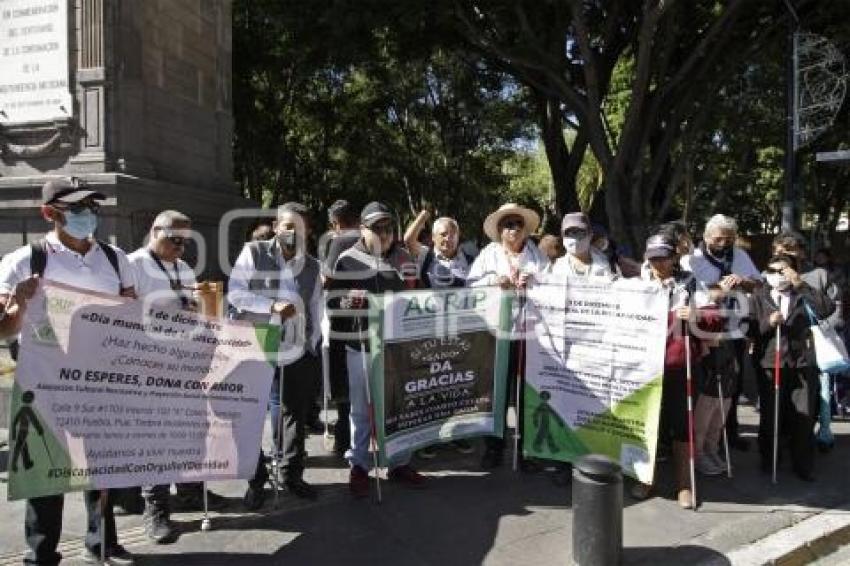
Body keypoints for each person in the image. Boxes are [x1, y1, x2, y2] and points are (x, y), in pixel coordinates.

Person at [0, 177, 136, 565]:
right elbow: (4, 329)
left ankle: (104, 544)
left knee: (102, 469)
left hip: (99, 383)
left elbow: (130, 314)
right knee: (46, 475)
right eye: (77, 209)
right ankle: (41, 554)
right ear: (50, 213)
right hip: (44, 387)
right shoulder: (24, 260)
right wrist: (21, 304)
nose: (87, 215)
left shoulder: (115, 259)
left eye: (91, 207)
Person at [128, 210, 221, 543]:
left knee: (192, 429)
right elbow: (124, 314)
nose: (181, 247)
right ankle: (156, 509)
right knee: (157, 439)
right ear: (155, 231)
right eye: (175, 240)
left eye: (186, 241)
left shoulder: (182, 268)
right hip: (150, 365)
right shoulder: (135, 265)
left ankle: (191, 488)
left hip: (185, 362)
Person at [328, 202, 427, 497]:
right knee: (360, 410)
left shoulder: (402, 257)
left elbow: (417, 295)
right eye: (377, 228)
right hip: (359, 346)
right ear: (362, 229)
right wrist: (348, 301)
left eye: (388, 228)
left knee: (396, 406)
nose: (384, 234)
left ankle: (398, 462)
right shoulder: (347, 259)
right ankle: (359, 465)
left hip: (395, 347)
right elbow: (331, 302)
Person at [229, 202, 324, 509]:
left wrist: (313, 342)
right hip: (257, 345)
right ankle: (256, 481)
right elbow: (235, 292)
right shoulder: (254, 252)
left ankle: (291, 474)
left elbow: (316, 307)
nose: (292, 232)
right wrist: (269, 307)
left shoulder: (312, 265)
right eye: (287, 225)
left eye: (299, 227)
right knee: (253, 415)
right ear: (276, 226)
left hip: (298, 350)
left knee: (293, 413)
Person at [632, 233, 720, 508]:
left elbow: (716, 317)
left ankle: (684, 483)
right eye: (653, 257)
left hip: (681, 367)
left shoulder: (691, 284)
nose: (658, 263)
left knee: (682, 425)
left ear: (673, 257)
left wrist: (696, 315)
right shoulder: (636, 285)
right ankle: (646, 478)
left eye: (663, 257)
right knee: (648, 424)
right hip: (644, 367)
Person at [467, 203, 547, 469]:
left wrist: (535, 284)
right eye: (507, 225)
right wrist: (493, 282)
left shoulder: (538, 257)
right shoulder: (488, 255)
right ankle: (494, 446)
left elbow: (554, 287)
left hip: (530, 336)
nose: (512, 229)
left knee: (526, 394)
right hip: (497, 334)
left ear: (525, 230)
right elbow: (470, 286)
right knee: (497, 392)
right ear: (499, 231)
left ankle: (526, 449)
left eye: (517, 224)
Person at [751, 254, 834, 481]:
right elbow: (749, 329)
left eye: (783, 271)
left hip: (802, 362)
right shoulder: (760, 295)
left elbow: (826, 309)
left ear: (793, 271)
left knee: (804, 416)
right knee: (771, 415)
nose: (778, 276)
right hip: (772, 362)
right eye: (772, 270)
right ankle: (770, 460)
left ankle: (803, 465)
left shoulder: (802, 293)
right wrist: (768, 323)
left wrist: (800, 283)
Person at [683, 214, 761, 452]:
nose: (724, 244)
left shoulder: (739, 255)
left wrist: (743, 281)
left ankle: (729, 433)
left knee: (731, 386)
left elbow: (758, 284)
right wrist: (720, 290)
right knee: (705, 387)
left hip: (734, 329)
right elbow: (690, 291)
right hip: (703, 330)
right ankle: (699, 440)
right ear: (706, 237)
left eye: (729, 239)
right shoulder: (692, 259)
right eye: (718, 239)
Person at [403, 210, 476, 457]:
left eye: (452, 233)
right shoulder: (425, 255)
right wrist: (423, 215)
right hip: (429, 334)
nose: (448, 238)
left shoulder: (470, 258)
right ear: (433, 238)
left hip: (460, 334)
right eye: (443, 234)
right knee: (430, 388)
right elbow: (407, 239)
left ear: (459, 236)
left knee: (457, 387)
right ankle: (429, 438)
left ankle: (457, 435)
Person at [771, 233, 843, 451]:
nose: (784, 256)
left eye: (790, 251)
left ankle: (816, 436)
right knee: (780, 398)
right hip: (780, 347)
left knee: (815, 395)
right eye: (779, 251)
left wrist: (820, 331)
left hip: (812, 346)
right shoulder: (769, 275)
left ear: (801, 252)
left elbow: (834, 309)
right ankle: (781, 441)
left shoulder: (820, 274)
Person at [321, 199, 361, 456]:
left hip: (343, 317)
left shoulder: (339, 242)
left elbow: (327, 279)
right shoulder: (371, 240)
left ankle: (344, 439)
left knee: (344, 379)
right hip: (369, 319)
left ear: (335, 223)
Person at [550, 213, 616, 279]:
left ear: (590, 235)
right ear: (562, 236)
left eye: (580, 233)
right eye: (569, 233)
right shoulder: (558, 268)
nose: (574, 238)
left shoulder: (604, 265)